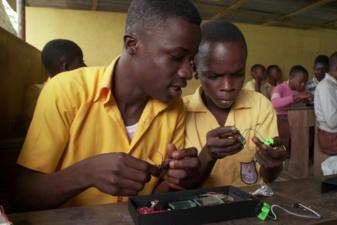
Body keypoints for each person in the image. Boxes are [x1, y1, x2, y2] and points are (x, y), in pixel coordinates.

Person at [14, 0, 202, 211]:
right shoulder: (66, 91)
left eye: (192, 60)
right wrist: (86, 173)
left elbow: (154, 198)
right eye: (176, 57)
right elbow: (23, 195)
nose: (188, 72)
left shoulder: (174, 108)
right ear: (132, 45)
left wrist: (175, 180)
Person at [184, 21, 286, 188]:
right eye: (214, 76)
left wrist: (273, 164)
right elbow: (180, 186)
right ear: (195, 69)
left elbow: (268, 178)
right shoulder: (180, 111)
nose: (227, 87)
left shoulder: (260, 105)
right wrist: (208, 155)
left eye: (237, 74)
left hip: (250, 204)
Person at [25, 39, 87, 122]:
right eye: (81, 62)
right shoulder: (36, 93)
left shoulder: (79, 90)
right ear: (66, 67)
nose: (85, 67)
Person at [271, 65, 312, 147]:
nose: (303, 84)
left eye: (305, 82)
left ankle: (295, 152)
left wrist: (308, 99)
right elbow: (275, 103)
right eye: (300, 81)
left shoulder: (303, 90)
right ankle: (265, 144)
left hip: (298, 118)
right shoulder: (280, 88)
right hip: (282, 118)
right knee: (279, 139)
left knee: (306, 135)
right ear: (291, 79)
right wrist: (294, 98)